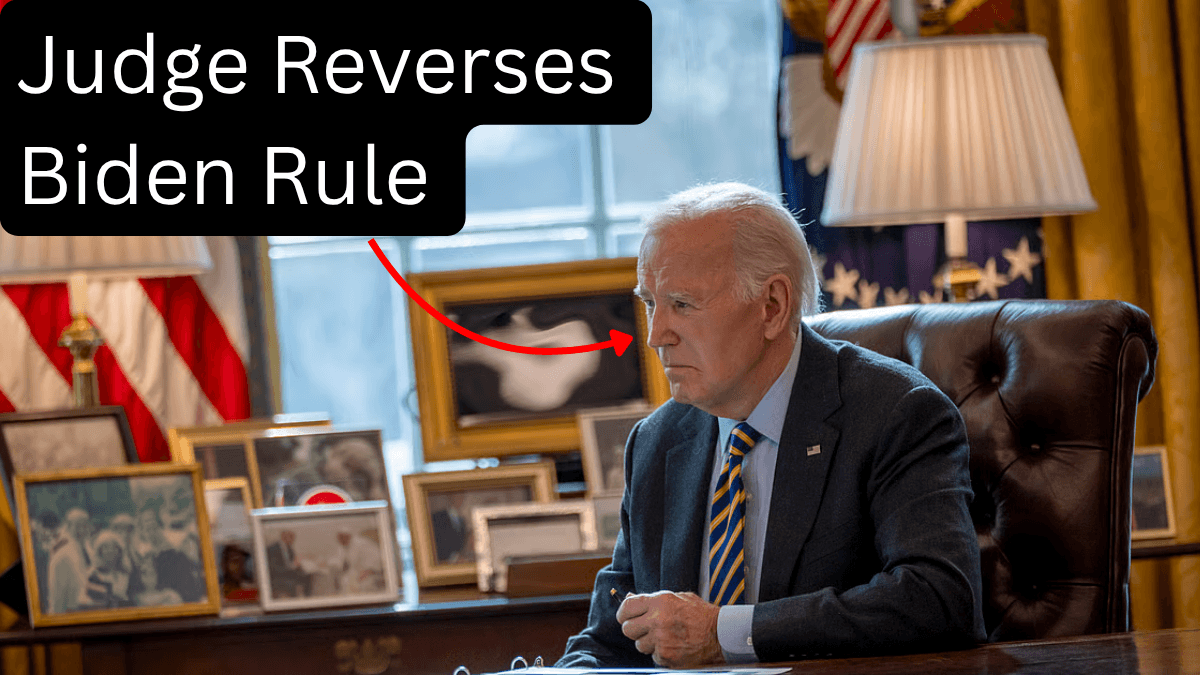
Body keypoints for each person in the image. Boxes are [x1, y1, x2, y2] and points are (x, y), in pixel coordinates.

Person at [557, 183, 984, 667]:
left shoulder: (895, 414)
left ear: (773, 306)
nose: (656, 336)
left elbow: (941, 598)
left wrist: (725, 632)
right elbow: (611, 637)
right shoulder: (657, 441)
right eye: (650, 303)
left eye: (682, 304)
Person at [46, 508, 93, 614]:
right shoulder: (62, 553)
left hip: (87, 609)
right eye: (77, 526)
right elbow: (57, 594)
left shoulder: (88, 548)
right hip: (70, 612)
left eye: (85, 525)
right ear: (68, 526)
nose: (81, 530)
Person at [326, 528, 383, 594]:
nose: (339, 541)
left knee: (362, 586)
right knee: (345, 582)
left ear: (347, 536)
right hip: (355, 573)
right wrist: (326, 563)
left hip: (369, 574)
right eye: (338, 538)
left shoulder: (361, 543)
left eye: (341, 537)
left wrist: (369, 571)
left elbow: (376, 557)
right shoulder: (343, 546)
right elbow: (338, 559)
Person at [266, 529, 311, 597]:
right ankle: (293, 602)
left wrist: (299, 566)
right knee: (291, 584)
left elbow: (293, 563)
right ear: (284, 537)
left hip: (288, 573)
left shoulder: (289, 549)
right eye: (292, 537)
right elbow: (274, 569)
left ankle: (308, 599)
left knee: (307, 576)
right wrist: (292, 567)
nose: (293, 540)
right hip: (277, 577)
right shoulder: (273, 548)